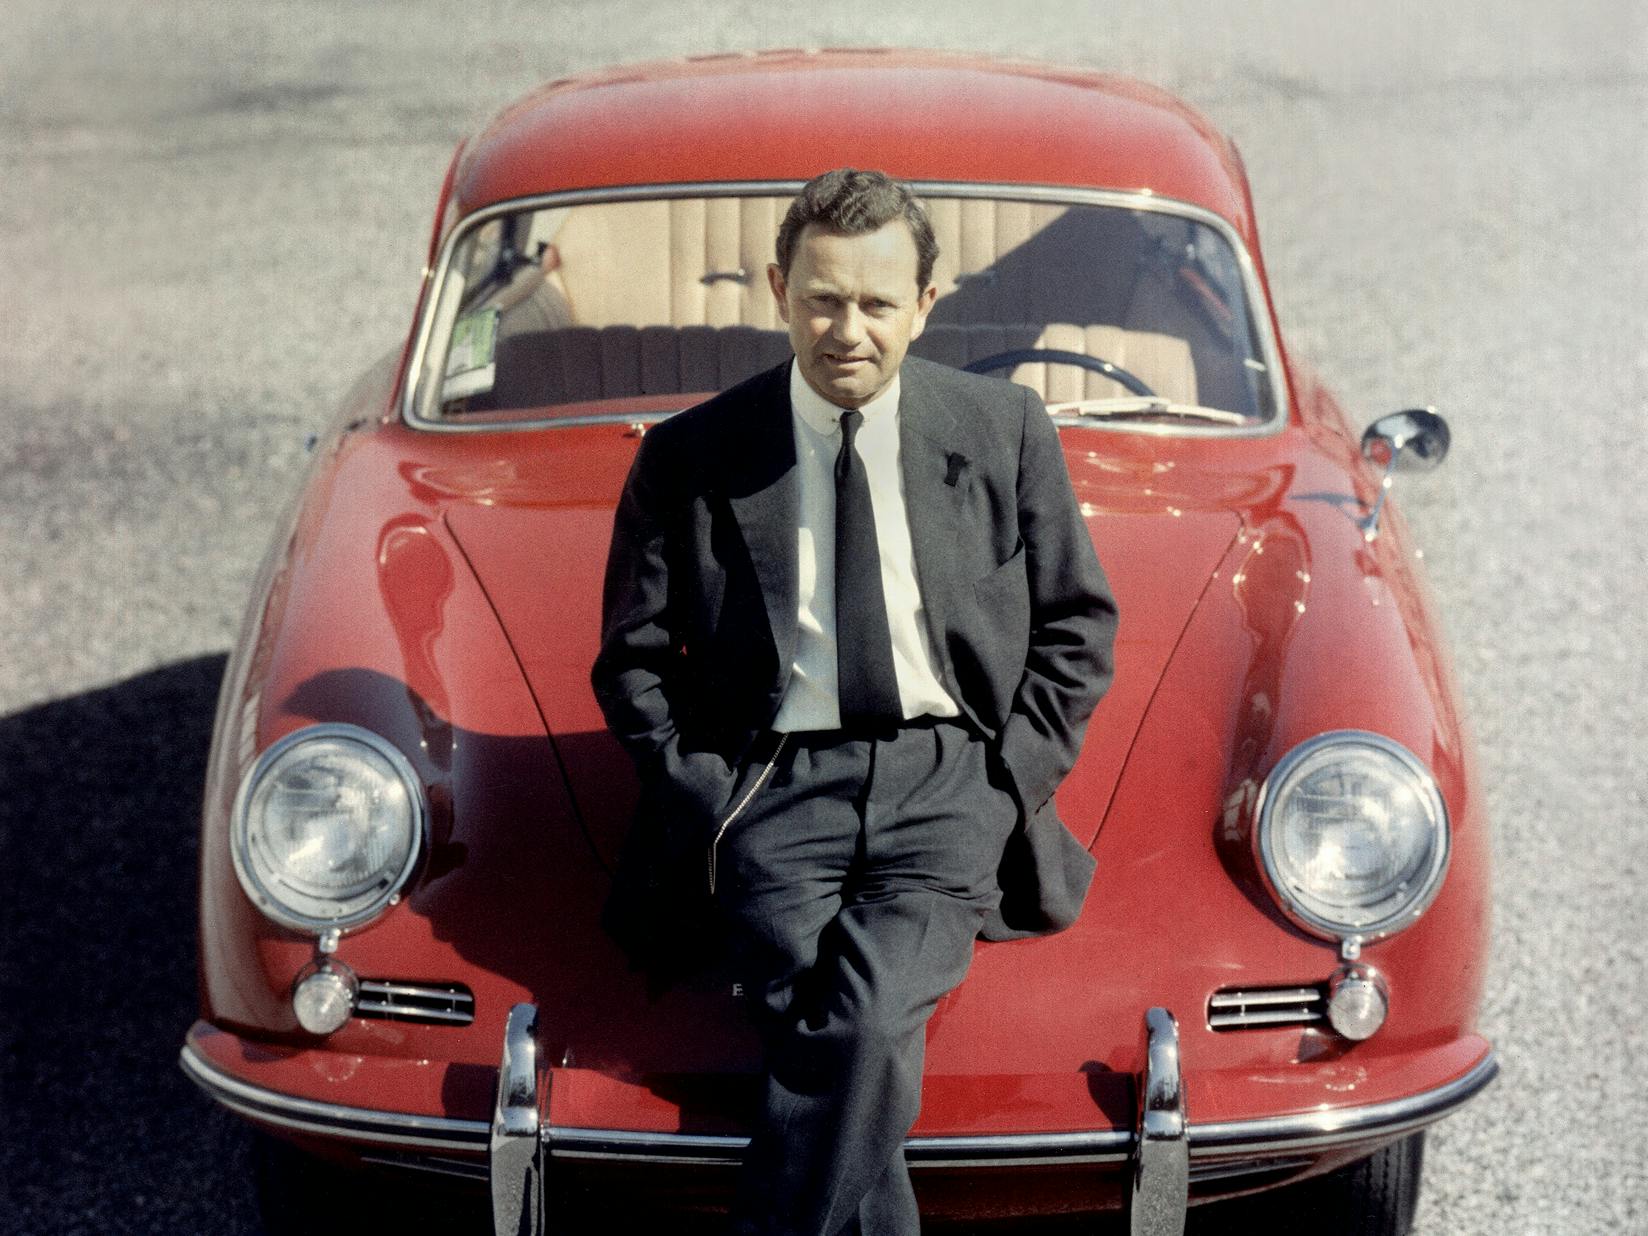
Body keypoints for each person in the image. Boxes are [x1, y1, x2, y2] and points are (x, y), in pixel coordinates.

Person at [591, 168, 1118, 1236]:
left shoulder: (1005, 426)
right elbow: (631, 664)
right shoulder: (691, 457)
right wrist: (705, 793)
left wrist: (1009, 775)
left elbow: (1078, 624)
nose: (846, 331)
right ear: (778, 288)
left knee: (865, 1027)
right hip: (770, 789)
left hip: (946, 783)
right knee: (846, 1047)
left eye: (877, 304)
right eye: (822, 299)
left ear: (926, 304)